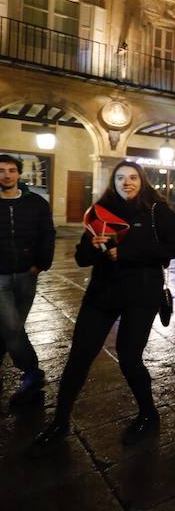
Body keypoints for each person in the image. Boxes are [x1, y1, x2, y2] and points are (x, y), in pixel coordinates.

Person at [34, 161, 175, 448]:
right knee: (80, 355)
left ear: (142, 181)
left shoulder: (156, 211)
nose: (127, 182)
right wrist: (93, 247)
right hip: (102, 293)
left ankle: (148, 413)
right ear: (113, 182)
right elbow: (82, 258)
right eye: (121, 178)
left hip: (141, 295)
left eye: (133, 177)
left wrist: (128, 252)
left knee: (129, 356)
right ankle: (59, 421)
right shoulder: (100, 211)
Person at [0, 154, 55, 407]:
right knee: (11, 325)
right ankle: (33, 372)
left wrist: (41, 264)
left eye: (11, 170)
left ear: (19, 174)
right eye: (1, 170)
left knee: (13, 325)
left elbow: (47, 235)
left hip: (26, 275)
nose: (6, 175)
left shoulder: (36, 203)